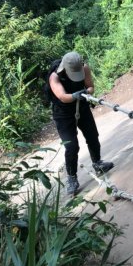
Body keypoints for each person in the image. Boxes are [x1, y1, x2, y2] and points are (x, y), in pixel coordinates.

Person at [48, 51, 114, 195]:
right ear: (64, 68)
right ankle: (71, 178)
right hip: (63, 114)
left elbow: (90, 86)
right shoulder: (55, 77)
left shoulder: (84, 68)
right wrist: (74, 95)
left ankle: (98, 163)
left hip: (82, 107)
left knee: (92, 136)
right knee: (71, 146)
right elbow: (62, 96)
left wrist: (86, 92)